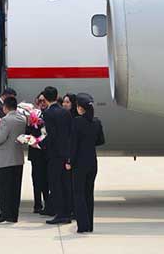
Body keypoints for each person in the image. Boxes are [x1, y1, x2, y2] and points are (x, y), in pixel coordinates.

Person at [70, 93, 105, 233]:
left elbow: (73, 145)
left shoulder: (77, 122)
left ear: (80, 108)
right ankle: (89, 225)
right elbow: (101, 141)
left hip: (79, 163)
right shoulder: (96, 122)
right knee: (88, 194)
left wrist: (69, 161)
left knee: (78, 194)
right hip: (92, 162)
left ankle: (82, 225)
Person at [41, 86, 74, 225]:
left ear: (46, 98)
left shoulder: (48, 113)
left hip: (54, 154)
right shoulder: (65, 112)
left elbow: (51, 135)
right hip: (66, 153)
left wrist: (40, 144)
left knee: (55, 185)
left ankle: (60, 214)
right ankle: (67, 212)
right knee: (66, 184)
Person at [0, 97, 26, 224]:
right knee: (15, 189)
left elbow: (0, 139)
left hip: (5, 159)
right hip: (17, 158)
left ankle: (4, 214)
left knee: (4, 189)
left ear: (5, 107)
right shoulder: (22, 119)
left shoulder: (6, 120)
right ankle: (13, 215)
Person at [29, 93, 51, 215]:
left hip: (47, 153)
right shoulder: (32, 115)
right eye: (40, 101)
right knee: (36, 180)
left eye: (44, 100)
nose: (42, 103)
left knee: (46, 180)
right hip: (36, 152)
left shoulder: (50, 114)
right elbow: (27, 132)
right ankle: (37, 204)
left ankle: (48, 203)